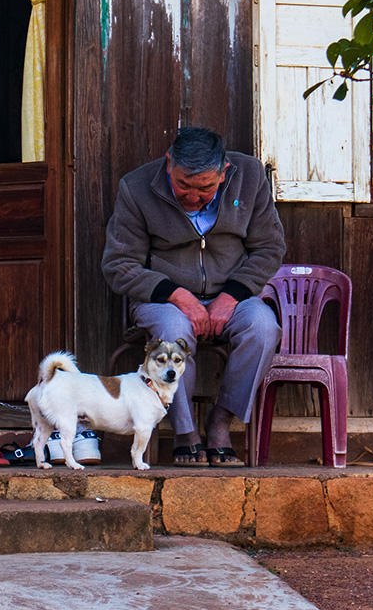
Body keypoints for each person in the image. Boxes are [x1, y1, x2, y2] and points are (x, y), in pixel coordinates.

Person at [102, 127, 285, 466]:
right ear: (169, 163)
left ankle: (220, 421)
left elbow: (270, 248)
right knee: (172, 332)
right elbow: (119, 264)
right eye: (183, 185)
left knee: (263, 327)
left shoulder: (250, 177)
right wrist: (179, 297)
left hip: (232, 295)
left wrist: (231, 296)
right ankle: (185, 433)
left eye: (205, 188)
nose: (192, 196)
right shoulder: (137, 187)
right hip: (164, 300)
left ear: (224, 172)